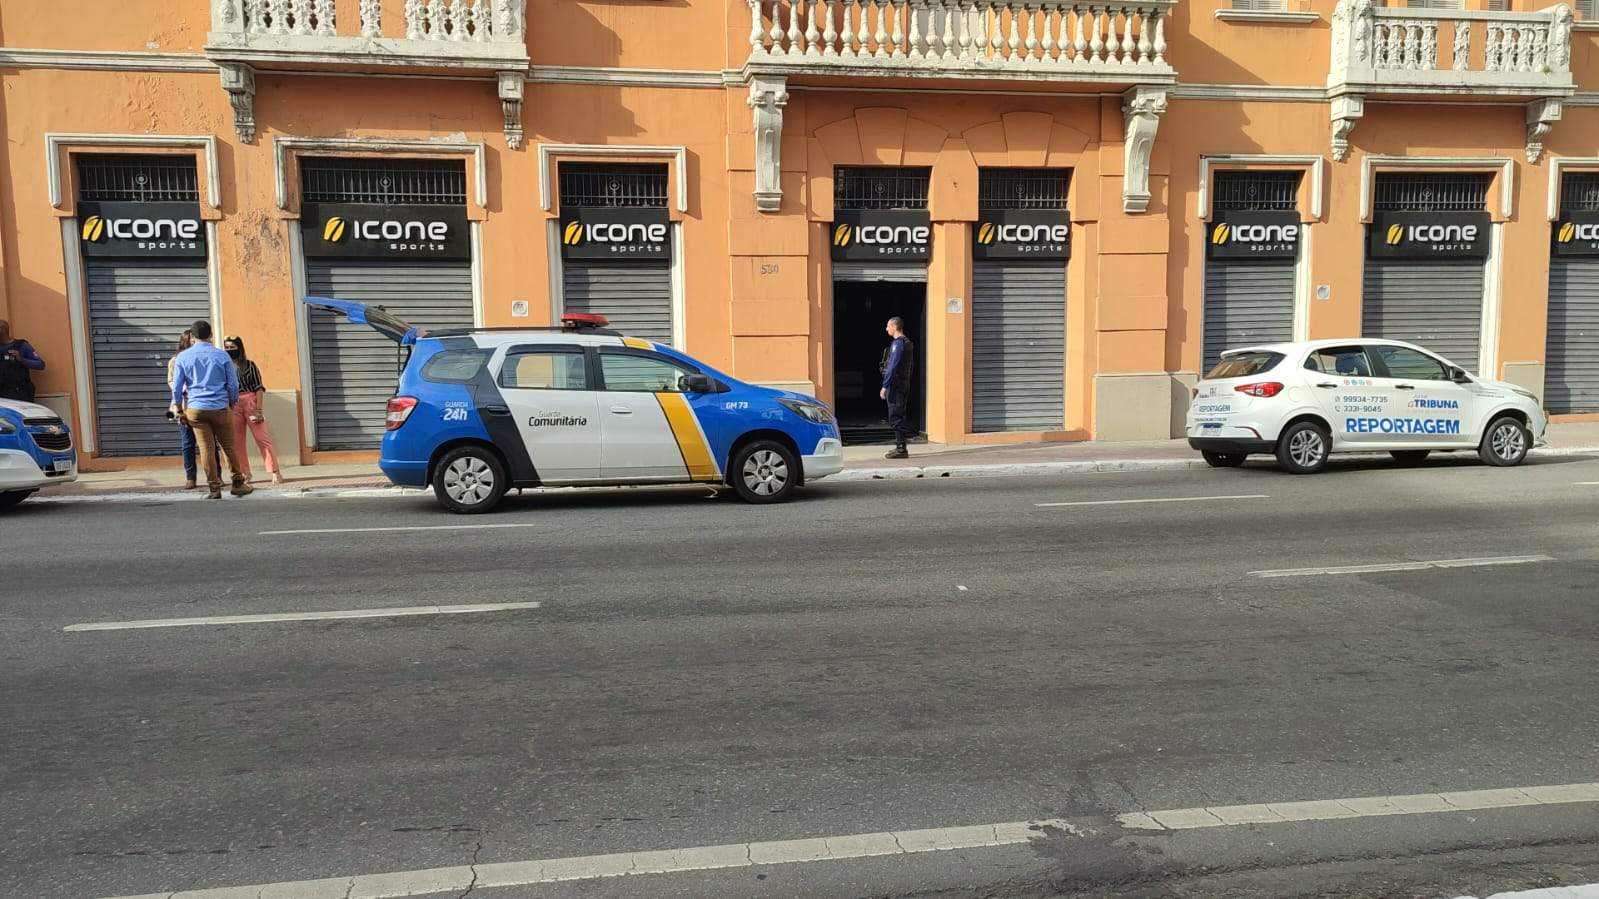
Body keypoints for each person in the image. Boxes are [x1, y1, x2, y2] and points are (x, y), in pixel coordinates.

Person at [169, 320, 252, 499]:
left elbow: (177, 387)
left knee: (206, 449)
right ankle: (238, 483)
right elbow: (233, 385)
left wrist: (178, 408)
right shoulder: (222, 356)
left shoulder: (183, 357)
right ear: (211, 335)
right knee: (229, 447)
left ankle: (214, 488)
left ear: (192, 336)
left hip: (196, 409)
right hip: (220, 407)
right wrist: (231, 402)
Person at [222, 335, 283, 486]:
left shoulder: (249, 365)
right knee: (237, 441)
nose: (229, 350)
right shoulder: (224, 367)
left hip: (250, 401)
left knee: (262, 438)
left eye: (232, 347)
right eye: (227, 348)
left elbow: (259, 388)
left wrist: (258, 409)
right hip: (233, 403)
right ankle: (244, 472)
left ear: (239, 348)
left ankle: (275, 471)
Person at [167, 329, 217, 490]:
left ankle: (217, 476)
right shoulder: (176, 360)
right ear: (184, 342)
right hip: (186, 406)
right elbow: (172, 381)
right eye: (191, 340)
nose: (194, 342)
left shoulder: (204, 356)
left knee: (211, 443)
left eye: (195, 339)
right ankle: (191, 477)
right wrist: (183, 391)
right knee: (188, 444)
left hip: (204, 404)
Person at [878, 316, 915, 460]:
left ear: (895, 327)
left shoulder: (898, 344)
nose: (886, 329)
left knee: (895, 416)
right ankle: (901, 446)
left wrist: (885, 386)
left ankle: (901, 449)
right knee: (900, 414)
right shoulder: (908, 343)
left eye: (888, 326)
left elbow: (892, 366)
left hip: (896, 385)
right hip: (903, 383)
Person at [0, 319, 45, 402]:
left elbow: (40, 364)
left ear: (2, 330)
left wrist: (21, 360)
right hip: (2, 394)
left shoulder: (21, 345)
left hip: (20, 393)